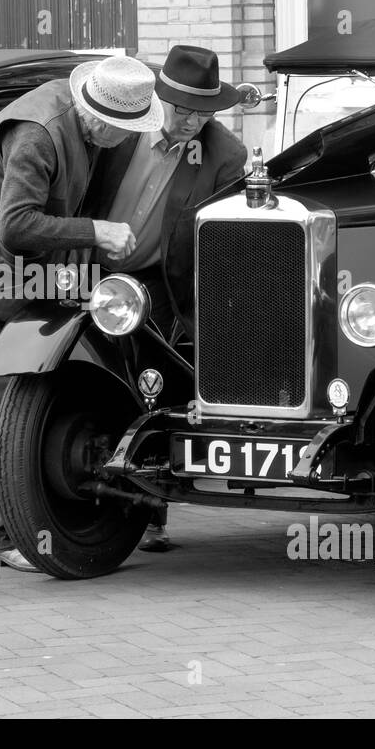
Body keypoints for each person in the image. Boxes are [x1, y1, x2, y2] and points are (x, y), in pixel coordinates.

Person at [0, 55, 164, 571]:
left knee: (26, 409)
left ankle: (30, 525)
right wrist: (95, 232)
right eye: (127, 129)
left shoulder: (77, 122)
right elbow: (16, 227)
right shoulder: (39, 135)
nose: (132, 138)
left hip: (23, 282)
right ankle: (7, 538)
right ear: (102, 121)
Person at [87, 46, 249, 552]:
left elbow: (219, 244)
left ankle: (150, 512)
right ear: (157, 97)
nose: (190, 123)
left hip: (158, 279)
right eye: (181, 110)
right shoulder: (123, 124)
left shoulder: (225, 155)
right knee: (79, 376)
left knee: (148, 384)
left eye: (203, 114)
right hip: (85, 262)